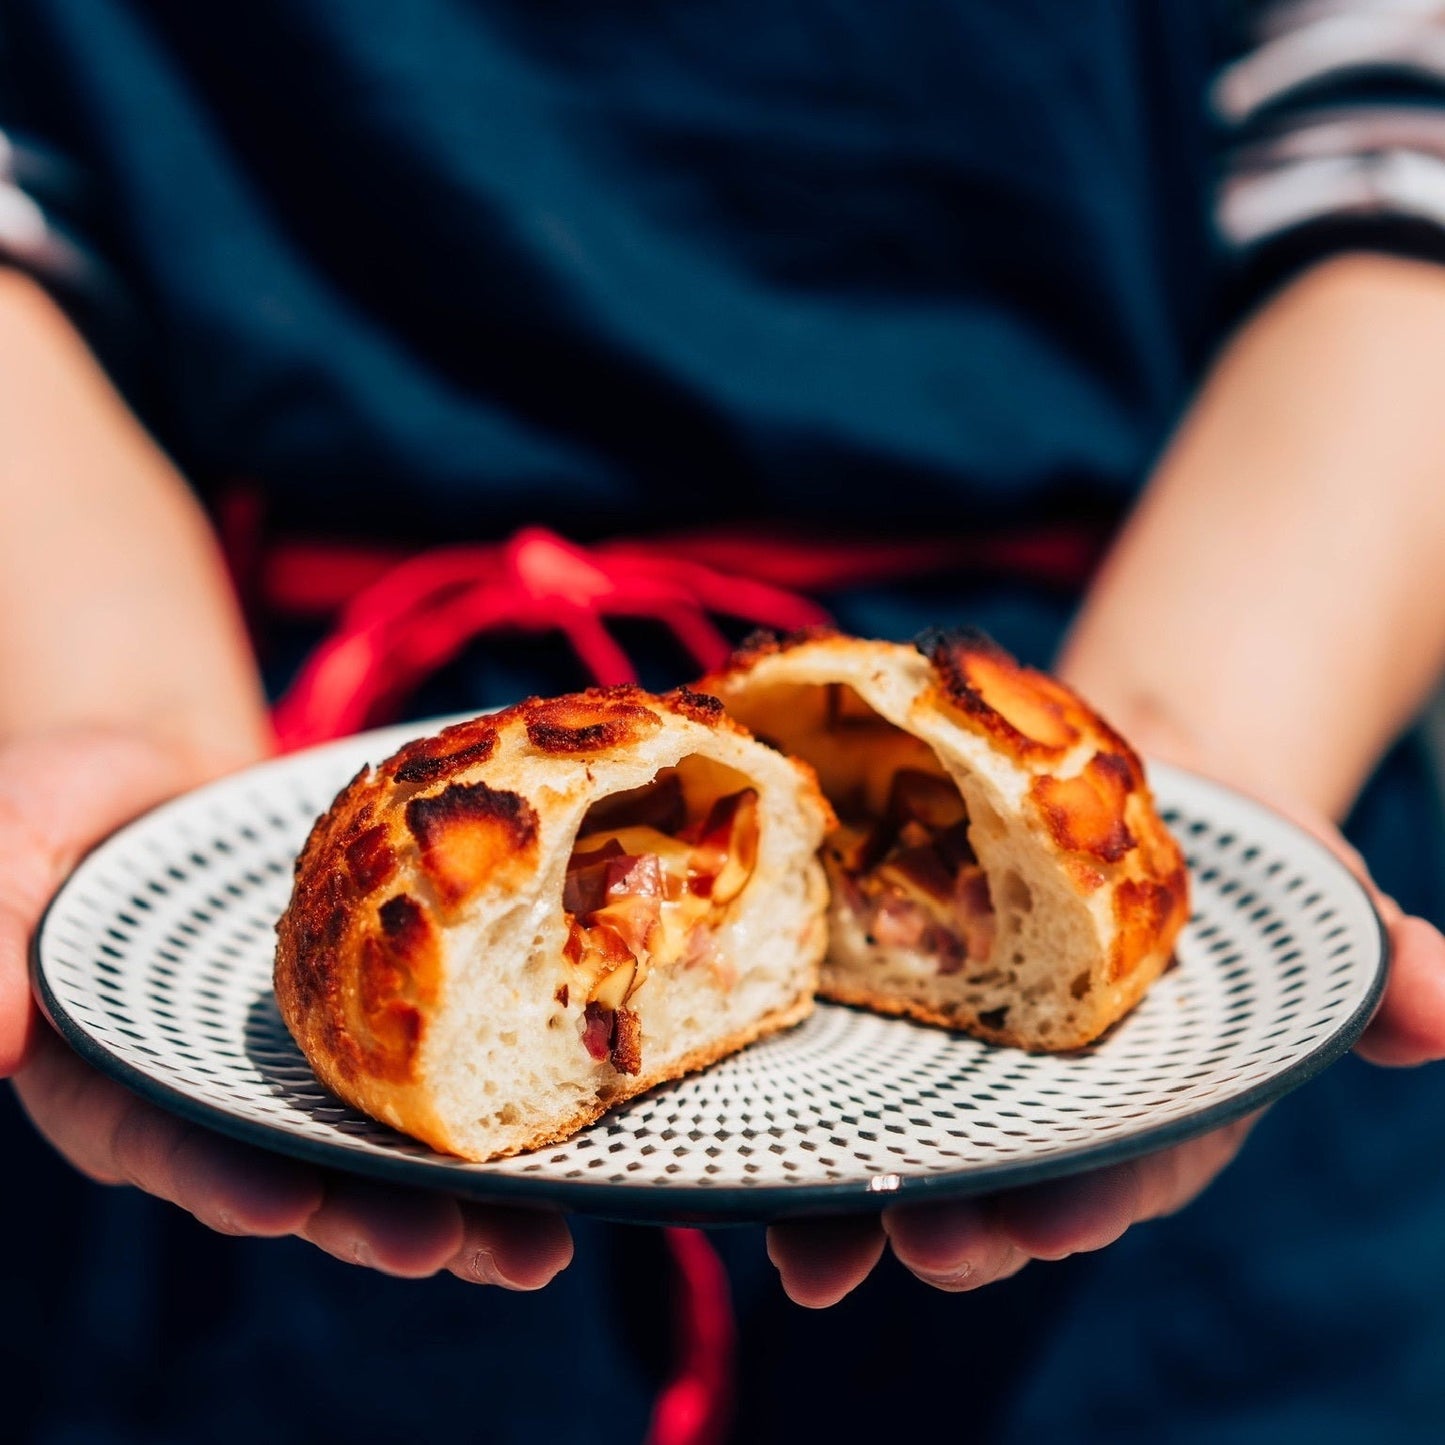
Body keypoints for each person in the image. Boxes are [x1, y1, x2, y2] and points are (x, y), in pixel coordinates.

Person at [4, 1, 1445, 1440]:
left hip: (1198, 632)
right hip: (280, 754)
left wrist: (1204, 732)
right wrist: (102, 693)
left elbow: (1404, 159)